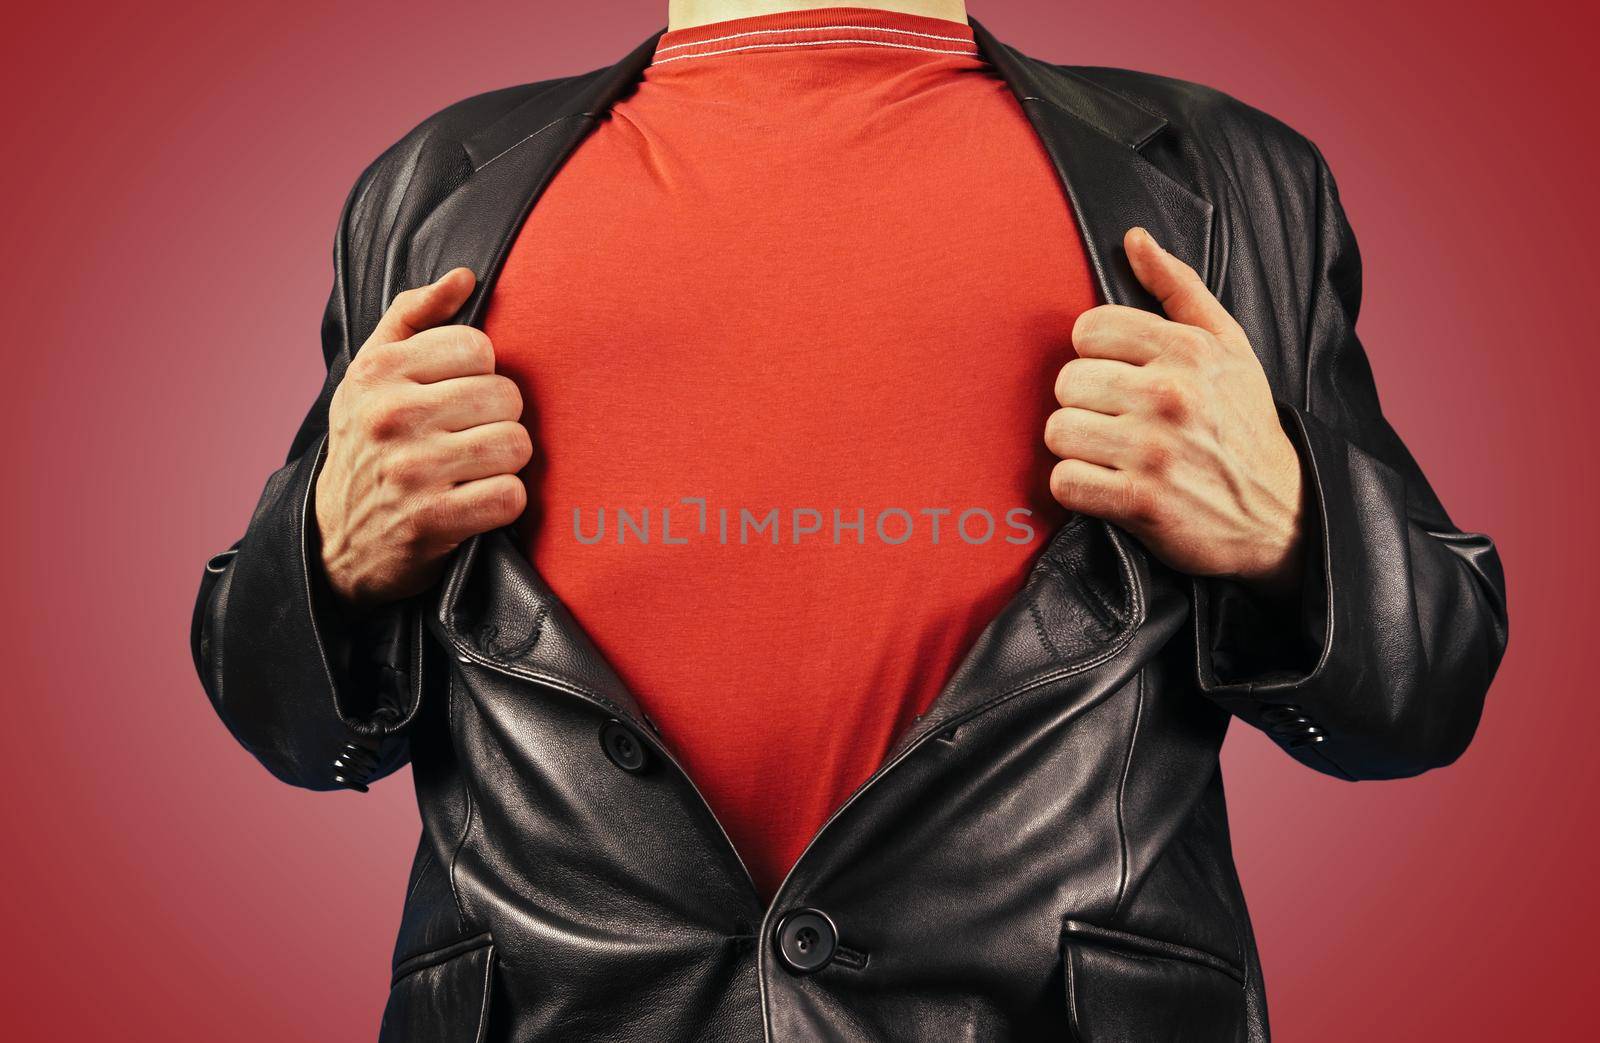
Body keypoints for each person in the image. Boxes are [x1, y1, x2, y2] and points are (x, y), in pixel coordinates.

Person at [189, 2, 1509, 1039]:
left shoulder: (1231, 180)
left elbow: (1426, 692)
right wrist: (326, 559)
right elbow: (285, 721)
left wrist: (1291, 528)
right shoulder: (429, 184)